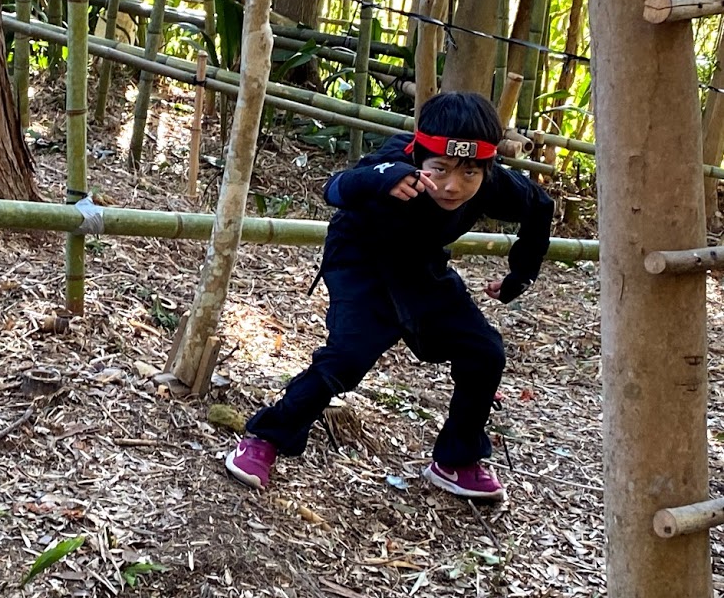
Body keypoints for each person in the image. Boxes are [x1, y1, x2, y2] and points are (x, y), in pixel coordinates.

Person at [226, 91, 554, 502]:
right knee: (348, 357)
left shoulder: (492, 183)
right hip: (361, 259)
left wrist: (519, 277)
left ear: (486, 167)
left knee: (484, 352)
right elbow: (335, 188)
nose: (453, 185)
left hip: (421, 266)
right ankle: (265, 438)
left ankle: (456, 460)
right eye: (440, 169)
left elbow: (540, 207)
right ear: (421, 156)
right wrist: (382, 178)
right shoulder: (398, 158)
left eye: (469, 173)